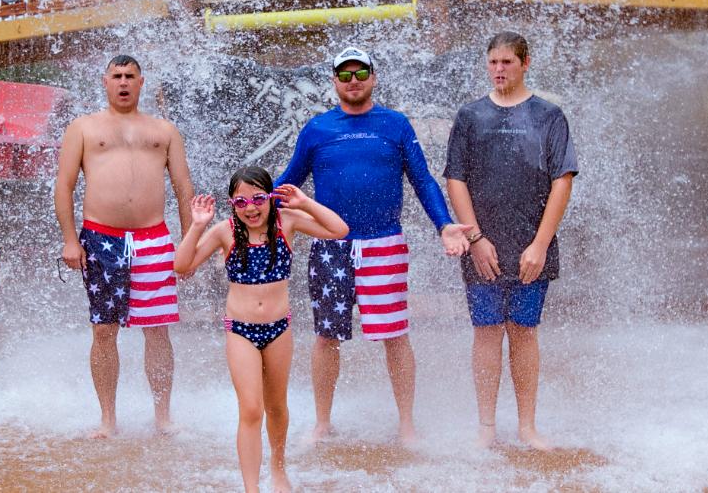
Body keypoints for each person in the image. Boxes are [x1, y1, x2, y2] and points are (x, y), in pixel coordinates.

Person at [276, 45, 470, 445]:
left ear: (374, 77)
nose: (353, 81)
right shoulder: (317, 129)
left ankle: (406, 424)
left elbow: (423, 180)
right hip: (331, 248)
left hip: (384, 244)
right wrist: (251, 211)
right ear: (334, 82)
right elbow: (287, 185)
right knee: (326, 336)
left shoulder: (396, 125)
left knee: (395, 335)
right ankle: (322, 422)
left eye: (360, 73)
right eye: (344, 75)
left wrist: (444, 225)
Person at [174, 167, 347, 493]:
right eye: (241, 202)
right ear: (231, 204)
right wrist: (197, 226)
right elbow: (182, 266)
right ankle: (251, 488)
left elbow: (339, 229)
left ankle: (278, 469)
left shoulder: (288, 223)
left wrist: (305, 202)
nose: (250, 208)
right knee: (251, 409)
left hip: (279, 329)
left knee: (277, 406)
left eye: (258, 199)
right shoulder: (225, 231)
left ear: (270, 198)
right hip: (240, 330)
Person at [443, 31, 577, 451]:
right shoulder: (470, 116)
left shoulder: (549, 116)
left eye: (507, 62)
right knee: (486, 331)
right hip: (482, 245)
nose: (499, 69)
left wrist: (539, 245)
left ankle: (527, 427)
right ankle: (486, 428)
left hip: (531, 245)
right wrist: (476, 238)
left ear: (525, 63)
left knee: (523, 331)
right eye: (493, 62)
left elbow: (562, 181)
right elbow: (455, 179)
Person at [55, 54, 194, 438]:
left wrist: (189, 243)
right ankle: (107, 419)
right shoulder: (83, 128)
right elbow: (64, 187)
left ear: (141, 82)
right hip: (101, 239)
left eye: (129, 76)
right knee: (103, 330)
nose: (123, 82)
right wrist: (70, 239)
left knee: (158, 329)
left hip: (154, 239)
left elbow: (184, 189)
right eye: (116, 75)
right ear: (104, 81)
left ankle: (163, 416)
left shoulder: (164, 130)